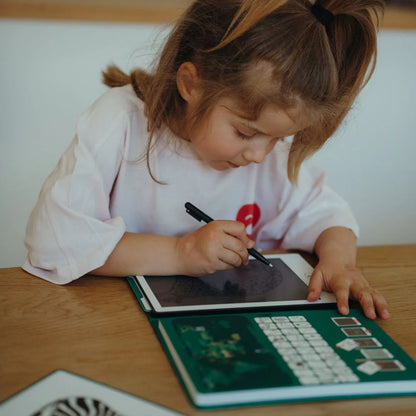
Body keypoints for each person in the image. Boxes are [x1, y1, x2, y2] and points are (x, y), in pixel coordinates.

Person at [23, 0, 389, 320]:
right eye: (245, 133)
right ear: (190, 85)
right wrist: (181, 253)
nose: (260, 155)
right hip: (108, 323)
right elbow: (53, 241)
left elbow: (328, 216)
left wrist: (340, 263)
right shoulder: (120, 124)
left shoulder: (266, 155)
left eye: (279, 138)